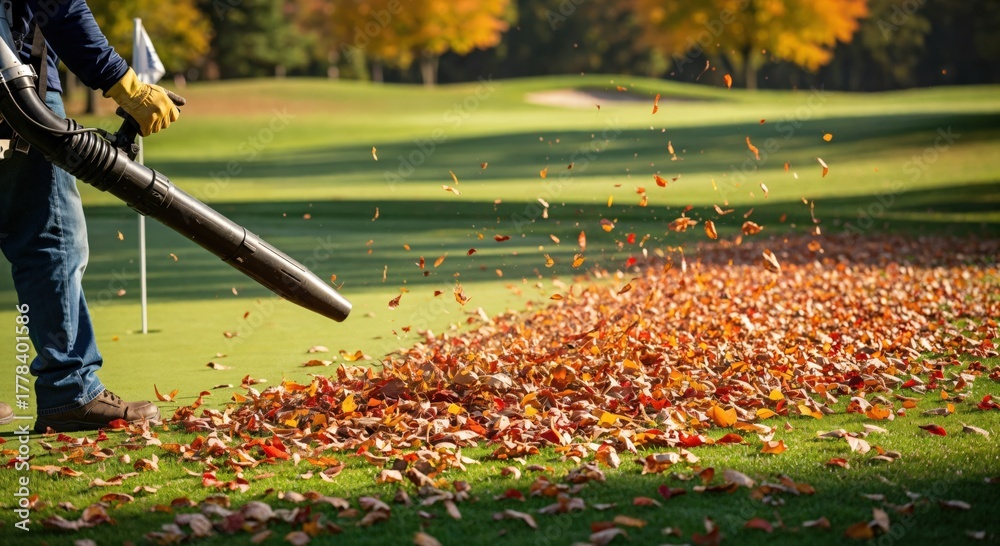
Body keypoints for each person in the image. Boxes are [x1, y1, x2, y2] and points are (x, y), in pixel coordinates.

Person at [0, 0, 182, 432]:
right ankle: (69, 392)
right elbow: (58, 7)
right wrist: (127, 87)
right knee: (50, 237)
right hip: (14, 87)